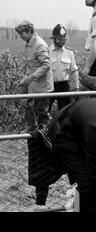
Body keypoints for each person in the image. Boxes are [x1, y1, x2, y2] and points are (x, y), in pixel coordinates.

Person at [15, 20, 56, 209]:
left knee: (42, 114)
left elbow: (46, 66)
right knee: (33, 113)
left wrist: (30, 78)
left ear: (29, 31)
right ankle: (36, 134)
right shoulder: (28, 44)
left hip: (41, 87)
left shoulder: (39, 44)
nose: (20, 37)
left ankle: (44, 138)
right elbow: (30, 66)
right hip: (33, 87)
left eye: (22, 33)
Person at [48, 24, 80, 111]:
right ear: (54, 38)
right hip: (49, 85)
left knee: (65, 112)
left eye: (63, 39)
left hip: (64, 86)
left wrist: (77, 87)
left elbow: (74, 70)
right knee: (44, 112)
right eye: (59, 39)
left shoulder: (69, 53)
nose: (62, 41)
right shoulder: (46, 52)